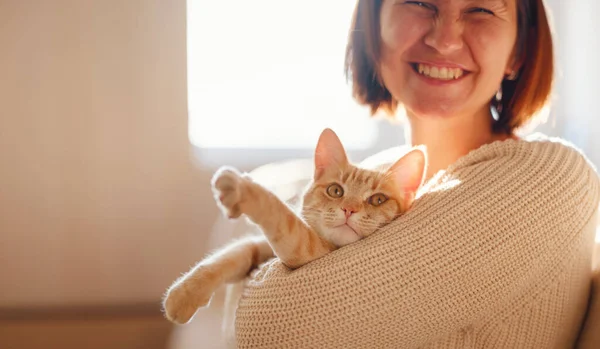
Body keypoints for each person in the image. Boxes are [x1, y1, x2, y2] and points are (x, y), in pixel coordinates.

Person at [231, 0, 600, 348]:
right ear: (373, 27)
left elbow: (269, 330)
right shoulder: (366, 180)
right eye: (420, 2)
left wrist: (245, 275)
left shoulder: (550, 179)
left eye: (481, 9)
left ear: (518, 51)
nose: (444, 40)